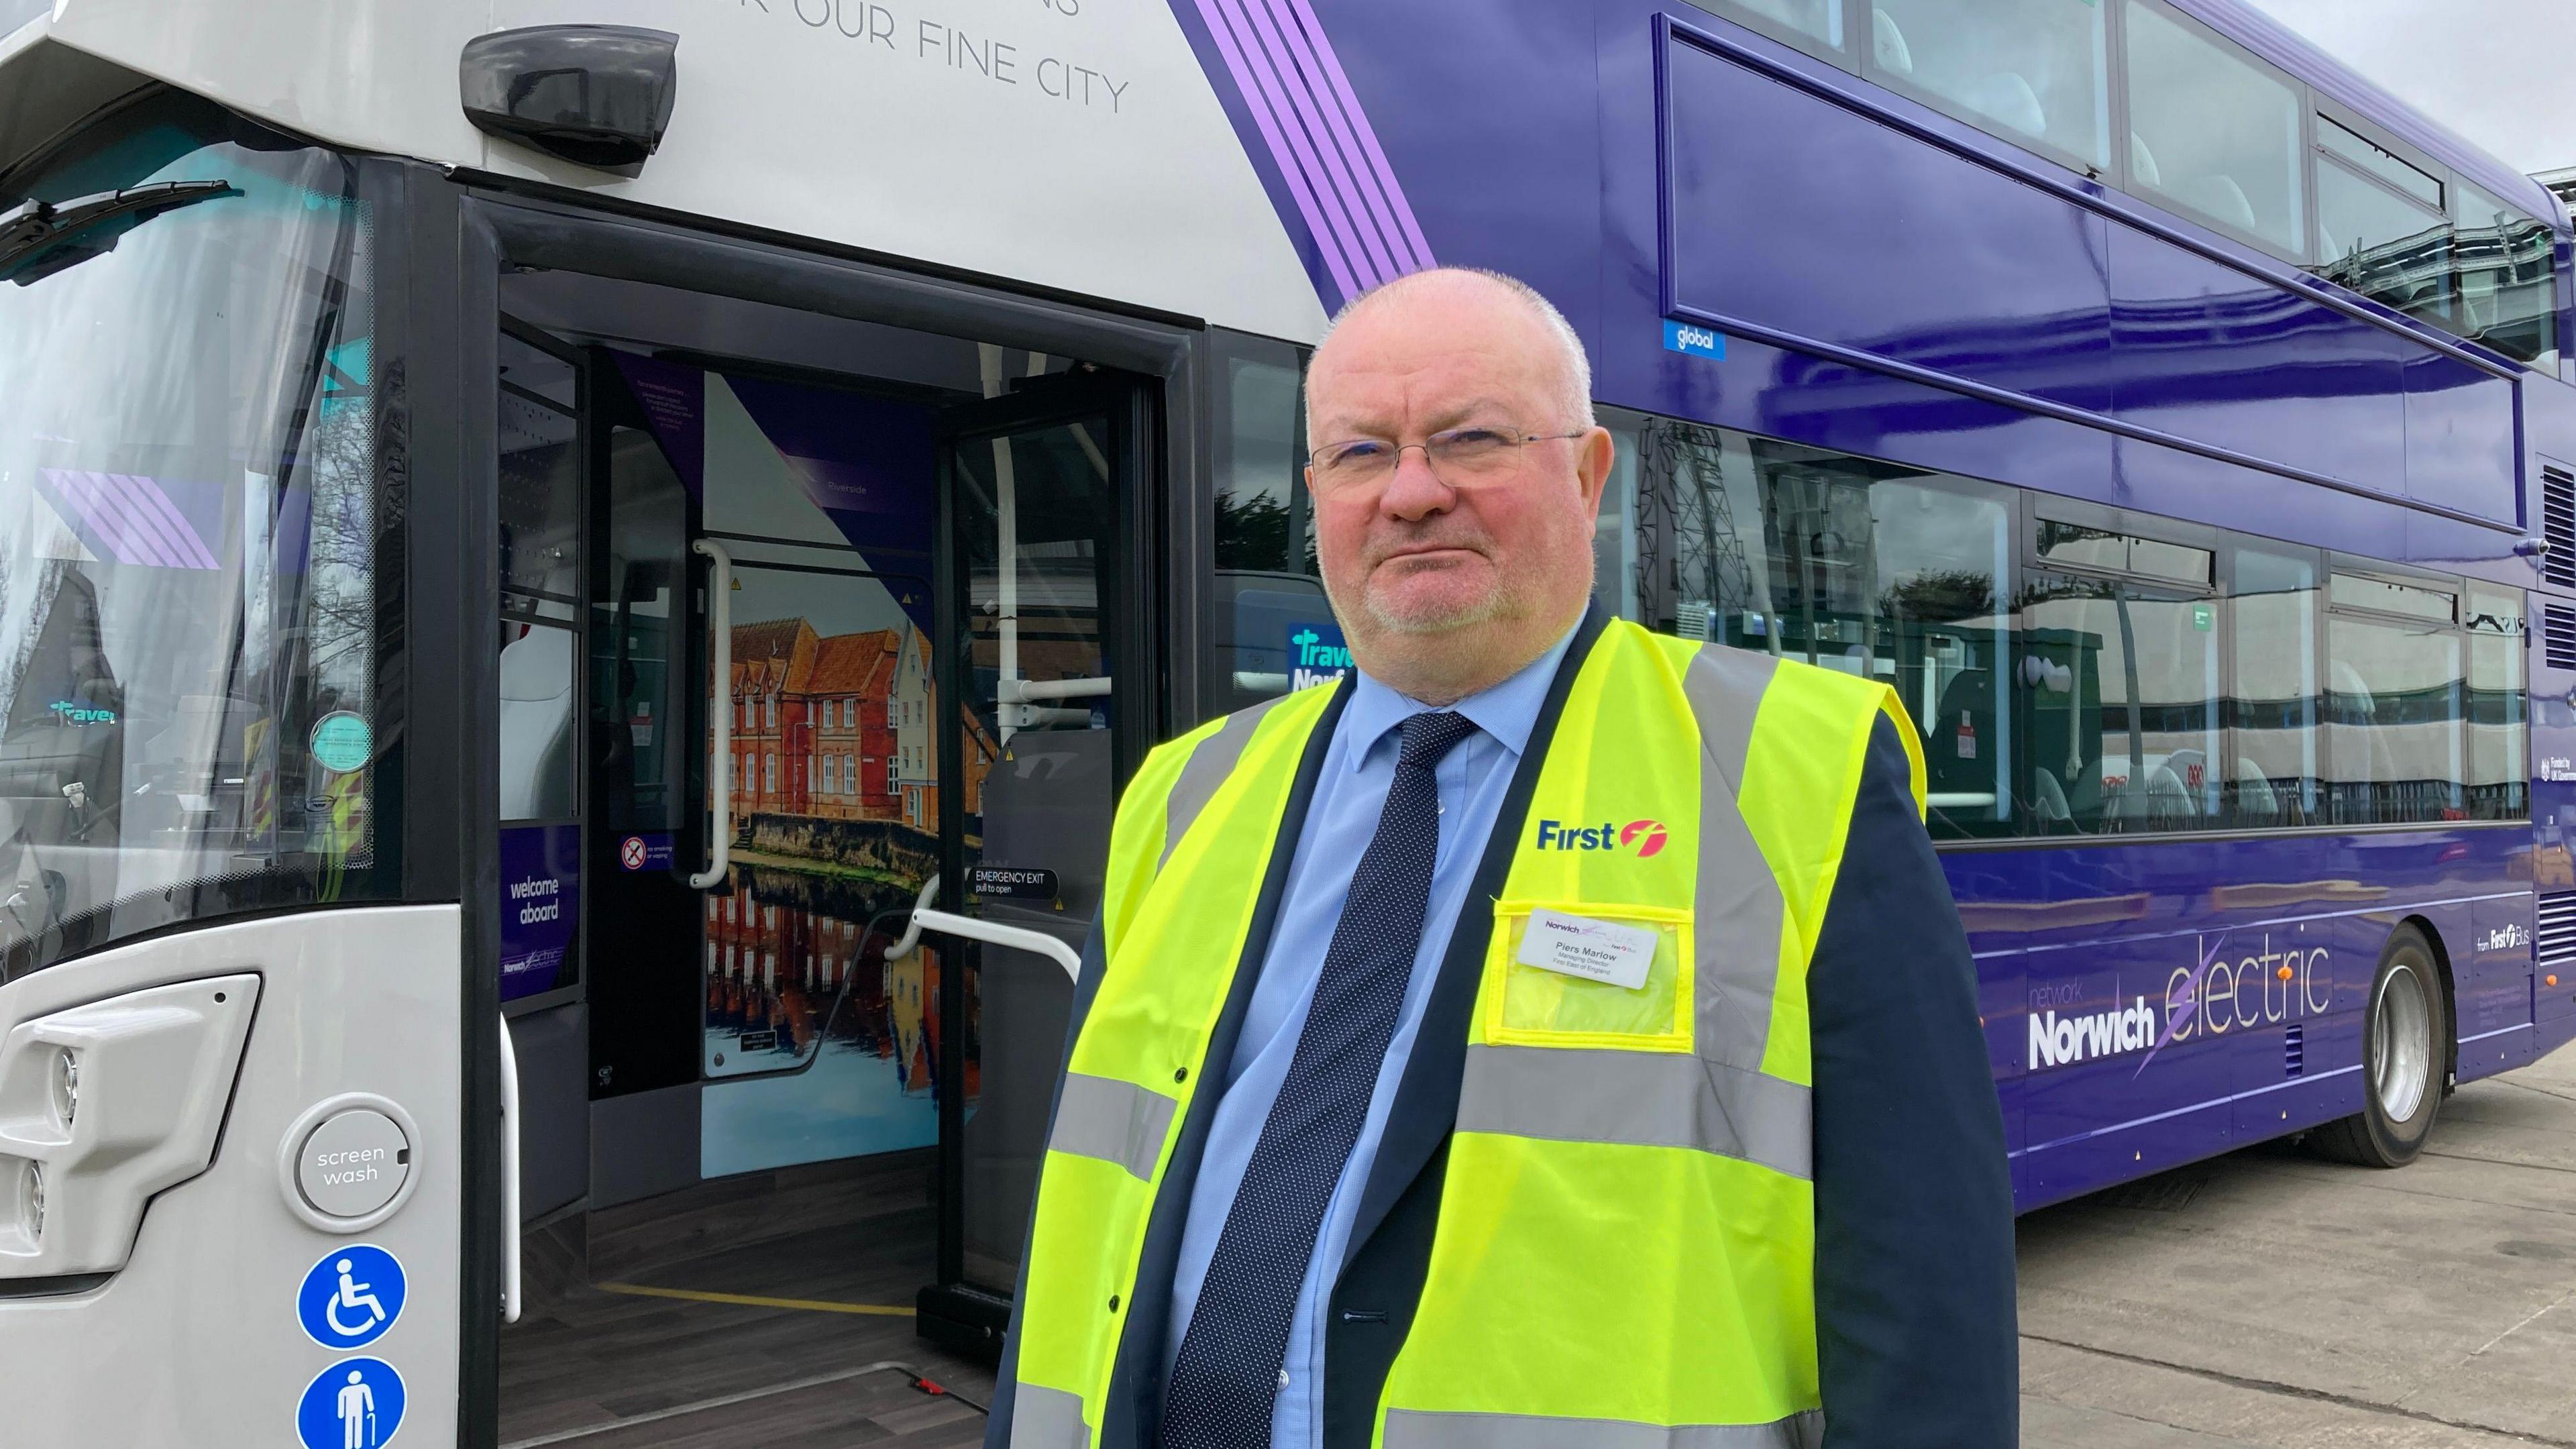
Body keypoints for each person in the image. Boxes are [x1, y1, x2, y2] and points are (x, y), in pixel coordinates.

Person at [985, 268, 2016, 1448]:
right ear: (1316, 494)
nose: (1411, 494)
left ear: (1587, 476)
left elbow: (1922, 1279)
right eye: (1362, 455)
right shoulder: (1184, 792)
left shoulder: (1799, 772)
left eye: (1471, 439)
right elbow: (1082, 1204)